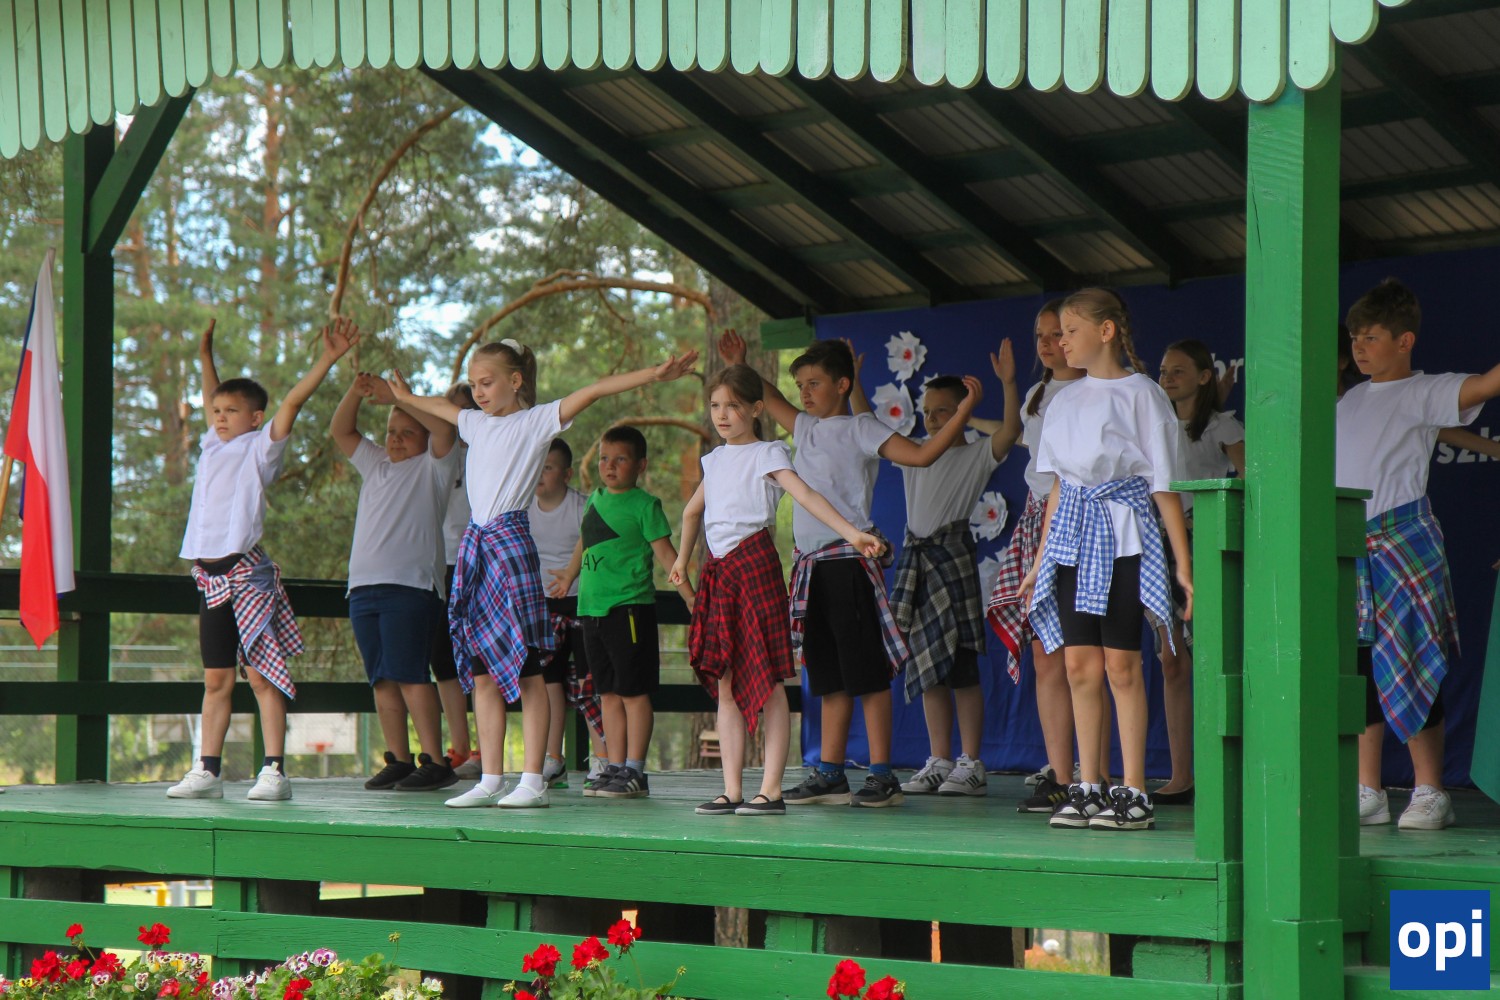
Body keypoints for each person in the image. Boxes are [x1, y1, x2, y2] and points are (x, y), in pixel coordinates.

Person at [387, 339, 699, 809]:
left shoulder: (535, 422)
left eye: (487, 382)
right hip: (477, 548)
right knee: (483, 671)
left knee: (529, 669)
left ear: (515, 381)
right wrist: (404, 397)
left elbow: (594, 389)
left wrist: (653, 374)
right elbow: (440, 407)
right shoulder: (474, 422)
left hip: (510, 545)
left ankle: (532, 778)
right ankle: (491, 778)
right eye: (474, 384)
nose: (478, 392)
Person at [719, 330, 979, 808]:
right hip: (810, 568)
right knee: (827, 675)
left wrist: (962, 414)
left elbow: (921, 455)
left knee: (867, 673)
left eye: (815, 383)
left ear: (843, 384)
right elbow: (768, 397)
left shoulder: (862, 428)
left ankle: (882, 774)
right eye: (800, 385)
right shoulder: (804, 427)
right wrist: (741, 363)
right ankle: (831, 772)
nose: (805, 393)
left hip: (849, 563)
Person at [670, 363, 883, 816]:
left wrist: (852, 534)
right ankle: (731, 790)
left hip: (754, 565)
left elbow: (806, 496)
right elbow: (691, 512)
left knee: (767, 681)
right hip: (720, 571)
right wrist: (681, 560)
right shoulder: (714, 459)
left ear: (756, 409)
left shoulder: (768, 453)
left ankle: (771, 790)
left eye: (732, 406)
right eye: (715, 405)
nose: (722, 414)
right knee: (726, 681)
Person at [1018, 288, 1192, 832]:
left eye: (1070, 331)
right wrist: (1039, 561)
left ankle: (1134, 790)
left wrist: (1183, 565)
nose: (1062, 341)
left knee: (1122, 664)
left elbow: (1163, 485)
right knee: (1078, 665)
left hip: (1124, 538)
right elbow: (1058, 488)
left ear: (1107, 331)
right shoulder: (1062, 401)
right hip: (1072, 538)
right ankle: (1088, 785)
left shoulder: (1143, 394)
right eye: (1058, 333)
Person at [168, 317, 360, 802]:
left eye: (231, 411)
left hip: (246, 574)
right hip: (209, 578)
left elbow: (292, 401)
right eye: (216, 411)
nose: (220, 417)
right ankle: (207, 770)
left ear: (255, 418)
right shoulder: (212, 443)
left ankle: (274, 769)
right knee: (216, 679)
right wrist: (205, 356)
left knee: (261, 675)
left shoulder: (260, 448)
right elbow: (213, 395)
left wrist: (328, 358)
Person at [1337, 278, 1500, 831]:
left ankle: (1431, 789)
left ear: (1404, 341)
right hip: (1350, 544)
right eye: (1355, 338)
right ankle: (1368, 789)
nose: (1359, 347)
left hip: (1402, 541)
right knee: (1360, 668)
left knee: (1411, 661)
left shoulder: (1426, 390)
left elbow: (1486, 385)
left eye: (1372, 337)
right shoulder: (1349, 400)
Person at [987, 301, 1105, 816]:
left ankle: (1096, 775)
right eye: (1041, 335)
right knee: (1044, 654)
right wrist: (1010, 384)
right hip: (1039, 520)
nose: (1049, 343)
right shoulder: (1037, 394)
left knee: (1089, 653)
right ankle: (1060, 776)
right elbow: (1020, 440)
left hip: (1081, 521)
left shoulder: (1098, 389)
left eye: (1059, 333)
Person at [891, 349, 1022, 799]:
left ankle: (971, 762)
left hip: (952, 560)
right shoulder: (913, 453)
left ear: (962, 412)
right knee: (928, 667)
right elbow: (866, 425)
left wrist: (1007, 383)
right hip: (919, 563)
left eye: (942, 411)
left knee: (962, 665)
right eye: (927, 412)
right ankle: (939, 759)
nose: (931, 419)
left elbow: (1011, 431)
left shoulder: (976, 454)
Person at [330, 372, 460, 793]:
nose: (396, 439)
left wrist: (400, 397)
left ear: (424, 438)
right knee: (382, 678)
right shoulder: (376, 465)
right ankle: (399, 759)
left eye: (408, 432)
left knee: (410, 675)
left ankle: (436, 761)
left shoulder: (434, 468)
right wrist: (356, 391)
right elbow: (341, 430)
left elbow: (445, 429)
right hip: (363, 588)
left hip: (411, 588)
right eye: (391, 432)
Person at [559, 425, 696, 800]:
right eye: (604, 458)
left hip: (630, 611)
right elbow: (585, 541)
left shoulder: (644, 505)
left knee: (633, 693)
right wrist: (569, 575)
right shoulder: (595, 498)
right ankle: (614, 767)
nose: (609, 466)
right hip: (591, 611)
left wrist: (689, 597)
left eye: (620, 459)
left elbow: (667, 556)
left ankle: (635, 770)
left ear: (640, 465)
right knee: (607, 694)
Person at [1152, 339, 1247, 805]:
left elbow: (1249, 479)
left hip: (1204, 545)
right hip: (1158, 545)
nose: (1167, 378)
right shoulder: (1155, 423)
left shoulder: (1220, 424)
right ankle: (1181, 774)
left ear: (1205, 376)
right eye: (1163, 371)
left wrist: (1205, 519)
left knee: (1212, 657)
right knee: (1170, 658)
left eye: (1179, 371)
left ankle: (1224, 771)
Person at [533, 437, 608, 787]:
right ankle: (553, 758)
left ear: (565, 474)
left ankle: (602, 758)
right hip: (542, 605)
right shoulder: (522, 509)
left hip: (582, 602)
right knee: (548, 682)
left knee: (588, 682)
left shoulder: (582, 506)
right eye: (537, 467)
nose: (540, 474)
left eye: (548, 467)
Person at [436, 384, 479, 779]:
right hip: (438, 566)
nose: (458, 418)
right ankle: (460, 748)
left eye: (465, 410)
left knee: (481, 657)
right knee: (444, 661)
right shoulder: (434, 456)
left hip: (476, 563)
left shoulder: (485, 452)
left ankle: (484, 748)